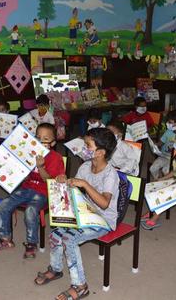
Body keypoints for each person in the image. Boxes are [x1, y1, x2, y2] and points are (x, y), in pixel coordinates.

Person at [34, 128, 119, 300]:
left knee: (69, 239)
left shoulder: (111, 174)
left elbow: (104, 203)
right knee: (56, 234)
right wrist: (64, 181)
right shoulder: (86, 166)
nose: (84, 148)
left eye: (88, 145)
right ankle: (56, 269)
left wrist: (85, 184)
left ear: (101, 152)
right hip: (85, 213)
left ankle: (80, 286)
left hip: (104, 220)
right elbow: (74, 190)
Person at [0, 123, 65, 259]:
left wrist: (40, 167)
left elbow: (50, 181)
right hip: (27, 188)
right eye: (38, 137)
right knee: (4, 203)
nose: (40, 141)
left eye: (45, 138)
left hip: (44, 192)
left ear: (52, 143)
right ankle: (5, 238)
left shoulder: (55, 158)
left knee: (30, 210)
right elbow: (24, 174)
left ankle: (31, 243)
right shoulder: (30, 152)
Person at [149, 110, 176, 179]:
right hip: (163, 156)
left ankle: (168, 183)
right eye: (168, 121)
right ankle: (158, 180)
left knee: (166, 171)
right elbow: (161, 142)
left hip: (174, 159)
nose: (167, 123)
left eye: (170, 122)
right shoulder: (168, 131)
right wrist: (154, 145)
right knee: (152, 168)